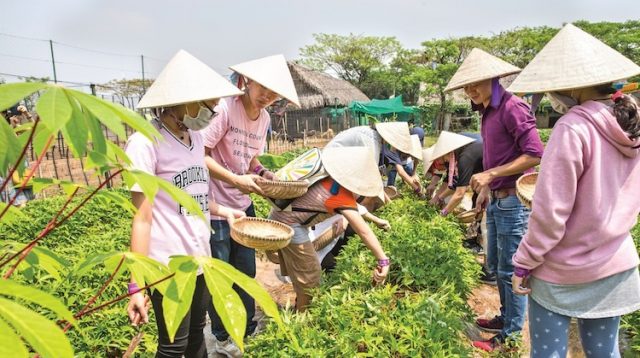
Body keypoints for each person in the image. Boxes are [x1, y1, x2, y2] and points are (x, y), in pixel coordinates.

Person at [508, 24, 640, 358]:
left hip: (564, 271)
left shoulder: (573, 127)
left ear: (573, 85)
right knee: (605, 353)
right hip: (615, 263)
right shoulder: (631, 124)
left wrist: (523, 263)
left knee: (549, 353)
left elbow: (551, 214)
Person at [124, 50, 245, 358]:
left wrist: (223, 210)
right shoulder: (145, 142)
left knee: (195, 335)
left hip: (200, 260)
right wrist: (136, 284)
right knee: (173, 345)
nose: (213, 112)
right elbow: (142, 218)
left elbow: (195, 197)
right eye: (209, 105)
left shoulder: (196, 140)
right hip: (168, 265)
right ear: (185, 100)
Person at [445, 48, 545, 351]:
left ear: (494, 79)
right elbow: (497, 156)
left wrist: (490, 176)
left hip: (515, 201)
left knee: (511, 268)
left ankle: (512, 337)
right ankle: (505, 319)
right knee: (497, 265)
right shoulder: (487, 112)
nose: (470, 90)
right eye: (466, 85)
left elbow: (534, 153)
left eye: (476, 82)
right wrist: (488, 186)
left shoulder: (513, 107)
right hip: (498, 198)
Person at [200, 54, 300, 356]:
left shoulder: (266, 118)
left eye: (274, 92)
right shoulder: (224, 109)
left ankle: (246, 328)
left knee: (246, 272)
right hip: (216, 207)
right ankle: (221, 336)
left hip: (243, 205)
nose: (267, 96)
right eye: (263, 88)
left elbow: (250, 157)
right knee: (222, 276)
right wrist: (234, 178)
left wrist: (260, 173)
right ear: (247, 82)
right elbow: (199, 155)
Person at [269, 146, 391, 311]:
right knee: (311, 275)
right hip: (289, 223)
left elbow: (358, 212)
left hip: (283, 216)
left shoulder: (331, 181)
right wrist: (383, 260)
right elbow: (364, 231)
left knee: (305, 272)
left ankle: (301, 303)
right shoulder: (340, 195)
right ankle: (302, 317)